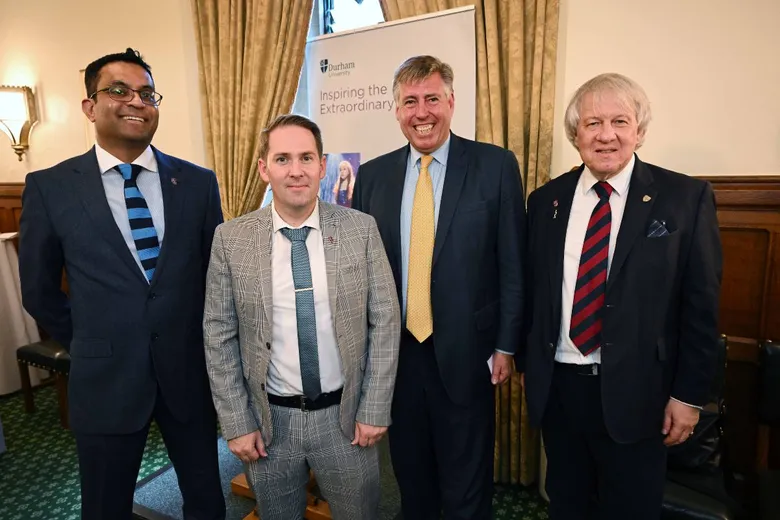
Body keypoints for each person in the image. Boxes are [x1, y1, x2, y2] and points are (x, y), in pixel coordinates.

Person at [19, 48, 225, 520]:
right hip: (105, 380)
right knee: (106, 507)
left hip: (187, 376)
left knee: (206, 500)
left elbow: (216, 277)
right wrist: (92, 340)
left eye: (147, 92)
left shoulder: (197, 183)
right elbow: (39, 289)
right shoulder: (51, 187)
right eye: (119, 90)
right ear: (90, 106)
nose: (136, 100)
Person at [518, 73, 722, 519]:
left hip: (642, 395)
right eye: (592, 123)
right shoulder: (545, 201)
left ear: (640, 131)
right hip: (560, 390)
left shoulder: (684, 198)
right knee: (566, 504)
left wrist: (689, 397)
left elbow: (701, 308)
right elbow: (534, 292)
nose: (606, 135)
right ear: (576, 135)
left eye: (619, 121)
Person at [351, 55, 526, 520]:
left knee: (466, 483)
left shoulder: (495, 165)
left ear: (451, 101)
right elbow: (362, 273)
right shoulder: (373, 177)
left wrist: (507, 345)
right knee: (412, 479)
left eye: (432, 98)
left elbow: (512, 261)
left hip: (470, 354)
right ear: (396, 110)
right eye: (410, 101)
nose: (421, 112)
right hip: (398, 356)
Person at [203, 114, 400, 520]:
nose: (296, 171)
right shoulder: (231, 239)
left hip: (346, 422)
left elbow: (385, 321)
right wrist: (237, 422)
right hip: (268, 424)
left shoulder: (360, 229)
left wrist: (375, 408)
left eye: (307, 158)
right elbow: (218, 334)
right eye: (283, 158)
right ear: (263, 168)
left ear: (322, 165)